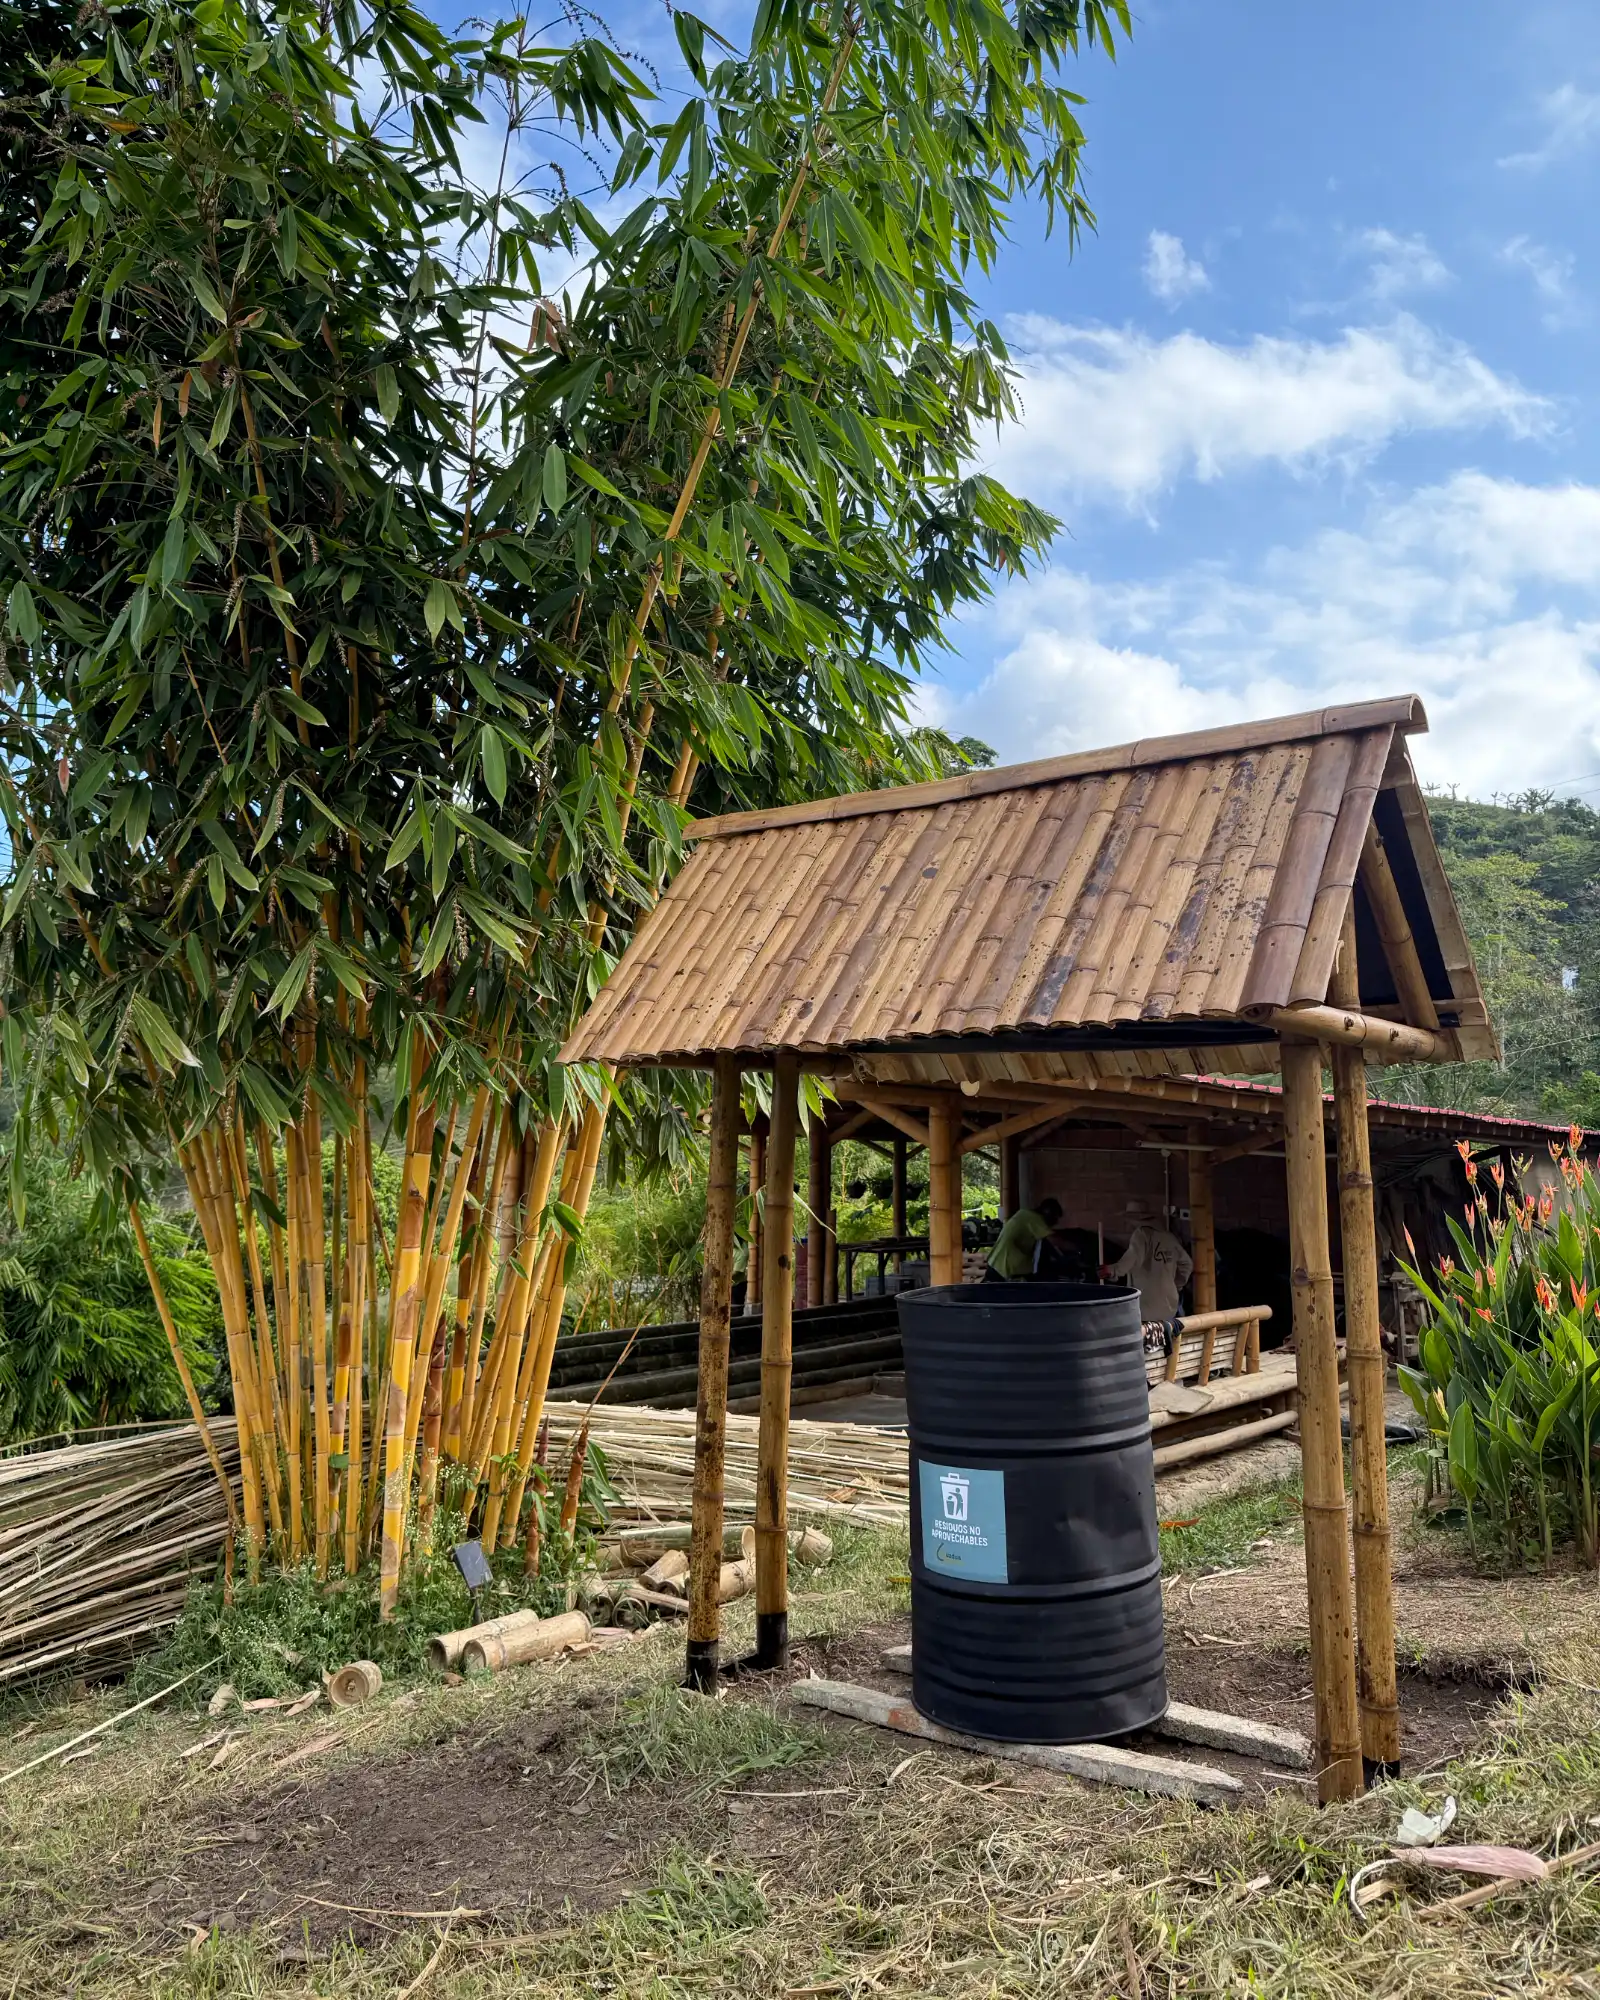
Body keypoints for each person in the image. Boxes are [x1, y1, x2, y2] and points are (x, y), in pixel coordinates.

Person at [1104, 1203, 1193, 1320]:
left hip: (1146, 1308)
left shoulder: (1141, 1234)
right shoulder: (1169, 1237)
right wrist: (1176, 1285)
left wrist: (1112, 1270)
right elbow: (1187, 1264)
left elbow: (1131, 1259)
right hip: (1169, 1308)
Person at [985, 1197, 1063, 1281]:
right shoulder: (1034, 1219)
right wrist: (1076, 1248)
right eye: (1055, 1219)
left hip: (996, 1264)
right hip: (1005, 1269)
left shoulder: (1024, 1214)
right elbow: (1054, 1240)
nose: (1055, 1223)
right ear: (1048, 1214)